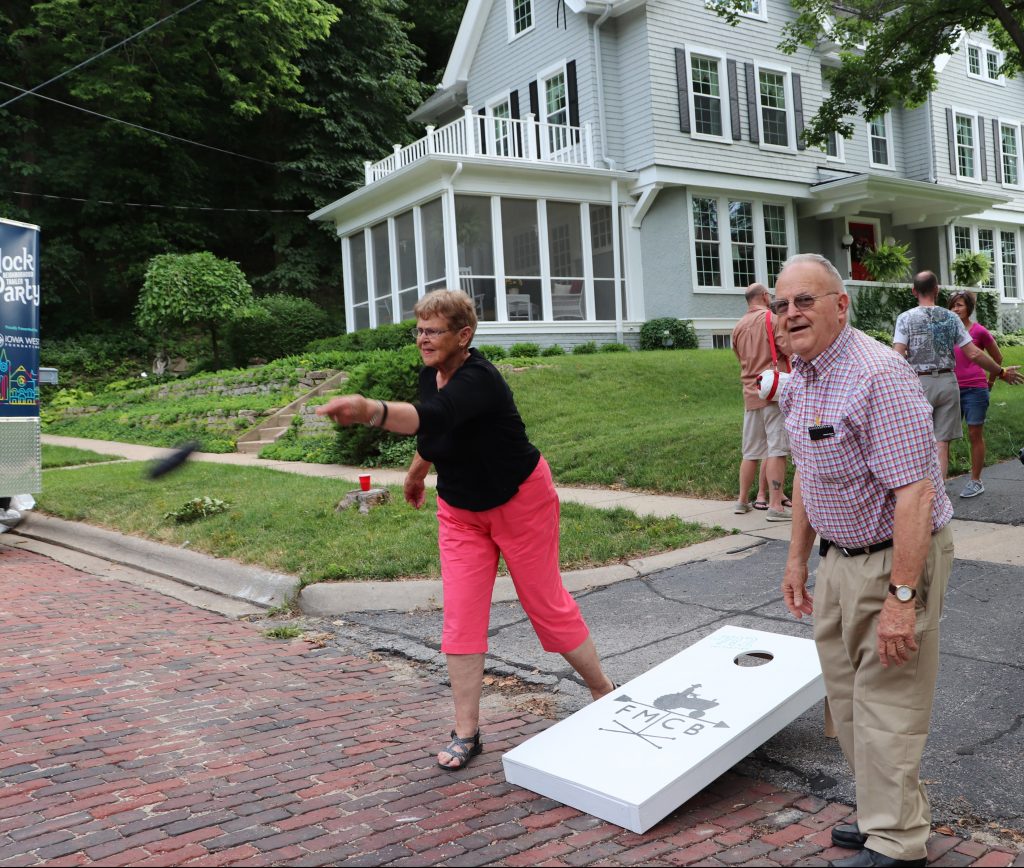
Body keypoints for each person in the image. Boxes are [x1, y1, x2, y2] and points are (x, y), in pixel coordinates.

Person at [316, 289, 615, 771]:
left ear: (464, 335)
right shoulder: (430, 376)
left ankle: (603, 690)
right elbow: (436, 433)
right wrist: (416, 472)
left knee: (545, 604)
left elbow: (437, 415)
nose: (422, 339)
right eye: (418, 330)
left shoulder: (481, 379)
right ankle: (466, 731)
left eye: (433, 331)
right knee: (460, 617)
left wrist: (371, 410)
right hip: (460, 509)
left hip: (520, 500)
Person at [774, 253, 954, 868]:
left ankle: (898, 843)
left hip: (894, 556)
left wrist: (903, 598)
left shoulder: (879, 374)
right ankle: (887, 811)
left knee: (888, 700)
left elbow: (916, 492)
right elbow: (807, 472)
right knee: (847, 696)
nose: (790, 313)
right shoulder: (802, 374)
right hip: (839, 557)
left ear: (840, 304)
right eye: (781, 304)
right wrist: (798, 559)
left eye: (805, 300)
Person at [892, 271, 1021, 478]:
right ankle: (940, 496)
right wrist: (1001, 372)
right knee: (941, 442)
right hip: (947, 383)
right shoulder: (951, 318)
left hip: (919, 384)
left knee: (919, 441)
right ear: (937, 290)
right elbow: (974, 353)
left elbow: (897, 355)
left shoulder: (905, 318)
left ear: (914, 291)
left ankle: (923, 495)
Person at [731, 282, 792, 521]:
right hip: (772, 392)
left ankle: (742, 500)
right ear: (765, 297)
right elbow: (787, 347)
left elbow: (739, 357)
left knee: (751, 452)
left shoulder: (738, 326)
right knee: (776, 449)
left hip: (750, 393)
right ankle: (776, 505)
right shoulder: (772, 320)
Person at [948, 291, 1003, 498]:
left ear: (969, 307)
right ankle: (939, 480)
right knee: (944, 436)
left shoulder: (979, 331)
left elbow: (997, 356)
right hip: (951, 389)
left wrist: (991, 381)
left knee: (974, 434)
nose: (955, 309)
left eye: (960, 305)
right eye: (953, 305)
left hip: (975, 389)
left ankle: (976, 481)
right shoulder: (948, 331)